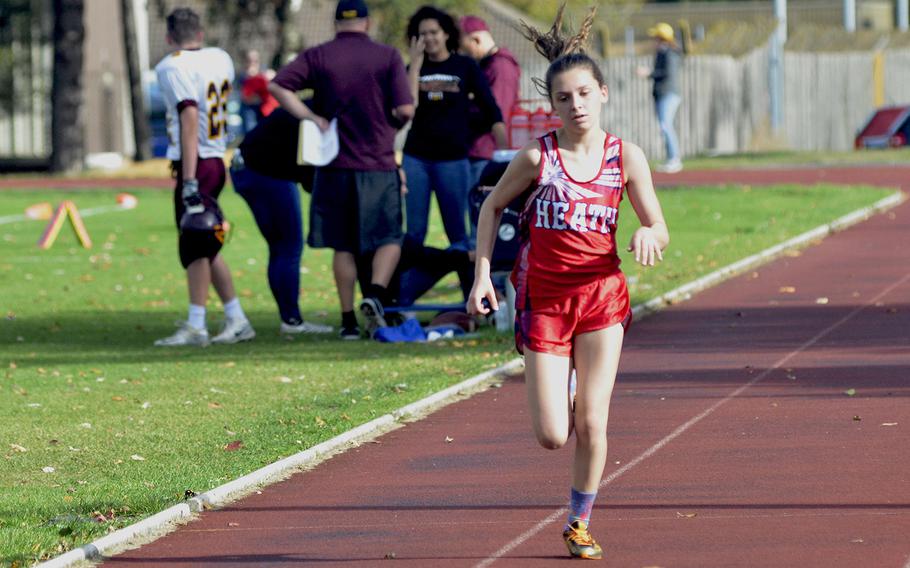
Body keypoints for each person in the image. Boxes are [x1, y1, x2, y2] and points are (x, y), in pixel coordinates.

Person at [467, 5, 669, 560]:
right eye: (564, 98)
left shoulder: (625, 156)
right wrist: (483, 274)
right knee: (553, 435)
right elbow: (491, 209)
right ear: (551, 105)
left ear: (602, 92)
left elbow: (657, 220)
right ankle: (568, 387)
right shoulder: (538, 156)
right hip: (546, 302)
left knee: (592, 423)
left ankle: (579, 522)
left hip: (602, 298)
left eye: (584, 94)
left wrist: (650, 234)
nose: (575, 105)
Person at [268, 0, 414, 339]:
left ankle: (348, 321)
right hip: (377, 163)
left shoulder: (320, 55)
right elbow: (405, 109)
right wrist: (390, 123)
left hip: (334, 165)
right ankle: (376, 295)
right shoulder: (387, 56)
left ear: (335, 24)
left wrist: (311, 117)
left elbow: (278, 86)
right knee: (390, 236)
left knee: (343, 245)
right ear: (367, 23)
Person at [153, 7, 254, 347]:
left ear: (169, 37)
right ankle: (236, 317)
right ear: (200, 33)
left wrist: (190, 180)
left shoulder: (172, 65)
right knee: (206, 244)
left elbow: (190, 116)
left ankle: (197, 325)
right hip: (215, 158)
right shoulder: (219, 58)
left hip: (197, 163)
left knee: (195, 243)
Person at [403, 5, 507, 251]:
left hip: (453, 160)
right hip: (416, 159)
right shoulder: (411, 70)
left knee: (458, 233)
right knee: (415, 233)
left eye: (433, 32)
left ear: (446, 34)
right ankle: (406, 289)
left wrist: (505, 156)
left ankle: (469, 288)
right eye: (423, 34)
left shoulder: (465, 66)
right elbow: (408, 107)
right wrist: (415, 67)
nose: (429, 38)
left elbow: (492, 109)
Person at [229, 108, 334, 336]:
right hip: (265, 171)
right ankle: (291, 319)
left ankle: (290, 316)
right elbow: (310, 171)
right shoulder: (320, 114)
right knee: (288, 247)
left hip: (253, 168)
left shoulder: (308, 107)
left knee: (281, 247)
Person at [459, 15, 521, 186]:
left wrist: (460, 105)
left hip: (487, 154)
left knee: (481, 210)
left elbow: (497, 111)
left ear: (476, 39)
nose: (464, 55)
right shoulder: (487, 66)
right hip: (477, 152)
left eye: (465, 49)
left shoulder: (500, 67)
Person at [637, 22, 683, 173]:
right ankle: (672, 158)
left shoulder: (669, 53)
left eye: (655, 38)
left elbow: (666, 73)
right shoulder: (663, 52)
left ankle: (674, 159)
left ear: (661, 38)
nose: (653, 41)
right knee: (665, 125)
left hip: (668, 94)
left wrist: (648, 73)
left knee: (666, 125)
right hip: (663, 94)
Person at [238, 49, 279, 133]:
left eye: (255, 61)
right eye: (249, 61)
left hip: (264, 111)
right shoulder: (243, 77)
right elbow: (246, 98)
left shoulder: (265, 74)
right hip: (249, 112)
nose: (252, 64)